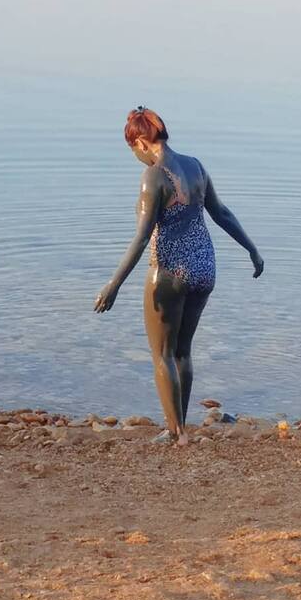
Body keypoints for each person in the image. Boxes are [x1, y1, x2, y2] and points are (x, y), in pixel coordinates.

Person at [94, 107, 264, 446]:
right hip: (204, 267)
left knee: (162, 354)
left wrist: (113, 284)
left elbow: (142, 237)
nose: (136, 158)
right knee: (183, 352)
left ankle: (176, 432)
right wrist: (252, 249)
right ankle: (181, 425)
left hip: (169, 270)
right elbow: (221, 212)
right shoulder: (195, 165)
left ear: (141, 142)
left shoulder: (154, 176)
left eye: (134, 151)